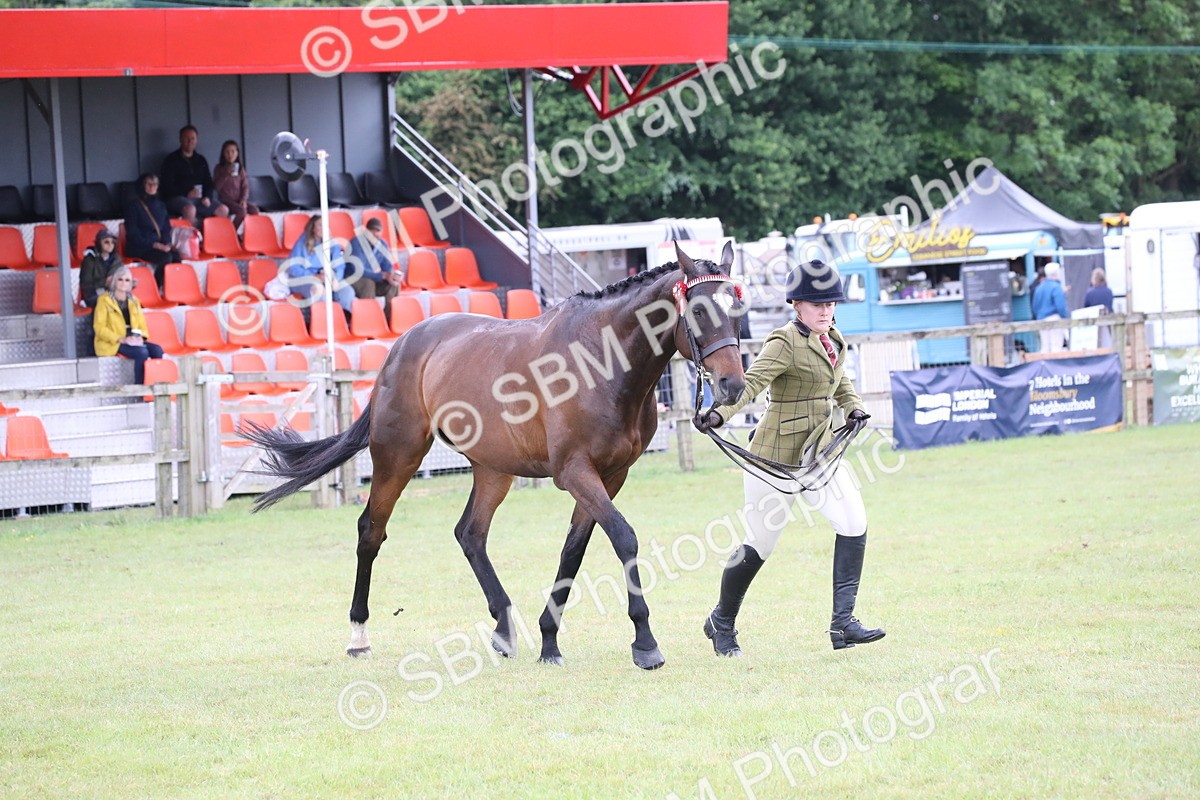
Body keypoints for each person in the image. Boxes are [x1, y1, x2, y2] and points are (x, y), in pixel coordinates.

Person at [693, 260, 883, 655]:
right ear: (796, 305)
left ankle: (843, 624)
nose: (826, 311)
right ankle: (721, 623)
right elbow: (753, 383)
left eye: (831, 304)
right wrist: (719, 412)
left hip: (819, 451)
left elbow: (839, 379)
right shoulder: (783, 341)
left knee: (854, 523)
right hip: (775, 459)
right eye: (817, 305)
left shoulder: (832, 337)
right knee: (760, 545)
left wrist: (854, 406)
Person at [92, 265, 164, 384]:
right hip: (112, 342)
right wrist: (121, 339)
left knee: (157, 350)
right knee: (142, 353)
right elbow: (99, 327)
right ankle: (139, 389)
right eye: (120, 279)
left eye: (127, 280)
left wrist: (141, 337)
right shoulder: (104, 300)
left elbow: (142, 325)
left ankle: (156, 385)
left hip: (132, 339)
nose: (123, 283)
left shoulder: (134, 301)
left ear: (131, 284)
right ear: (115, 281)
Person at [159, 125, 228, 225]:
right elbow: (166, 185)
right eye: (186, 138)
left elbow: (208, 182)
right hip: (177, 198)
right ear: (180, 140)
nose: (190, 141)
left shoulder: (201, 160)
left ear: (196, 140)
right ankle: (193, 238)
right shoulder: (171, 159)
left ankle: (209, 237)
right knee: (190, 209)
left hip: (200, 199)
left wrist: (207, 197)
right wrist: (186, 193)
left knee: (223, 209)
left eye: (193, 138)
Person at [286, 215, 356, 314]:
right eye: (320, 225)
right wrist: (315, 276)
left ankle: (345, 322)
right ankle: (322, 324)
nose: (324, 228)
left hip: (327, 278)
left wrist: (335, 278)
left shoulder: (333, 244)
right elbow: (293, 269)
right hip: (304, 280)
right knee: (320, 291)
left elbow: (340, 266)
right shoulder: (302, 243)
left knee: (347, 292)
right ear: (313, 228)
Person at [123, 173, 179, 288]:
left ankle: (172, 288)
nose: (152, 187)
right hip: (139, 246)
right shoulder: (134, 206)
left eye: (155, 184)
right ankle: (155, 286)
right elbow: (133, 234)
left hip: (158, 245)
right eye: (149, 184)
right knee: (166, 257)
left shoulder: (161, 206)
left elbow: (165, 229)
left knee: (176, 256)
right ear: (143, 185)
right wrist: (155, 245)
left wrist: (167, 243)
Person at [347, 218, 403, 302]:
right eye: (372, 230)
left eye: (378, 231)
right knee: (368, 283)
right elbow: (358, 270)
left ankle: (390, 314)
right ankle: (368, 314)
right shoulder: (356, 242)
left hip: (372, 277)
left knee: (394, 284)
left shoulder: (382, 244)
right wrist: (381, 276)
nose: (375, 234)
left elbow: (387, 266)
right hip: (353, 278)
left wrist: (392, 275)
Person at [212, 139, 258, 229]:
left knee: (255, 210)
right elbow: (216, 188)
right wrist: (225, 175)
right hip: (225, 201)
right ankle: (231, 232)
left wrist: (243, 200)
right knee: (242, 211)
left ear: (237, 153)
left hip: (239, 200)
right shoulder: (219, 168)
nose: (230, 155)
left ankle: (249, 234)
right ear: (223, 154)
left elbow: (245, 187)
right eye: (227, 152)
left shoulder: (240, 169)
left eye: (233, 151)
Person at [78, 228, 122, 309]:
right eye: (106, 242)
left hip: (113, 292)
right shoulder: (90, 259)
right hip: (94, 293)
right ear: (99, 243)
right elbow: (86, 283)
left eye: (112, 242)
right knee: (106, 303)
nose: (110, 245)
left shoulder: (117, 259)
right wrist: (105, 282)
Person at [1032, 261, 1069, 353]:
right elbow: (1060, 306)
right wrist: (1065, 316)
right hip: (1054, 318)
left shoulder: (1039, 287)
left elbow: (1035, 307)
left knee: (1045, 347)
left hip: (1041, 319)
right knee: (1056, 346)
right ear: (1056, 273)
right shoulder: (1056, 287)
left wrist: (1039, 316)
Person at [1084, 267, 1115, 349]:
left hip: (1094, 322)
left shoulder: (1090, 293)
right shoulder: (1109, 291)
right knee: (1108, 343)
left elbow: (1086, 307)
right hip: (1108, 320)